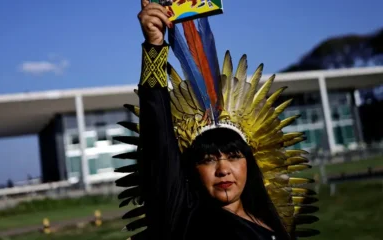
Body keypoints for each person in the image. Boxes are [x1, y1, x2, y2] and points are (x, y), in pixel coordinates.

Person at [114, 1, 319, 239]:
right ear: (191, 171)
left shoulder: (269, 220)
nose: (223, 170)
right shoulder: (186, 220)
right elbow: (158, 141)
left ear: (250, 163)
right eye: (208, 159)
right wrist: (154, 47)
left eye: (233, 156)